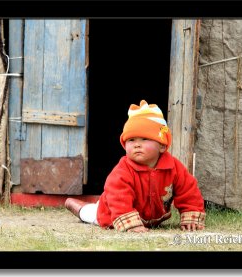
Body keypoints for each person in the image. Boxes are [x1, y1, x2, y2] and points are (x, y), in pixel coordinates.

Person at [65, 100, 206, 233]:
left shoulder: (174, 167)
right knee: (93, 213)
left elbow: (188, 190)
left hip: (150, 218)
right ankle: (79, 208)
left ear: (162, 145)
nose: (137, 144)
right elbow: (118, 196)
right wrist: (129, 222)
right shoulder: (122, 171)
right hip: (111, 212)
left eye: (144, 139)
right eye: (131, 140)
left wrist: (190, 213)